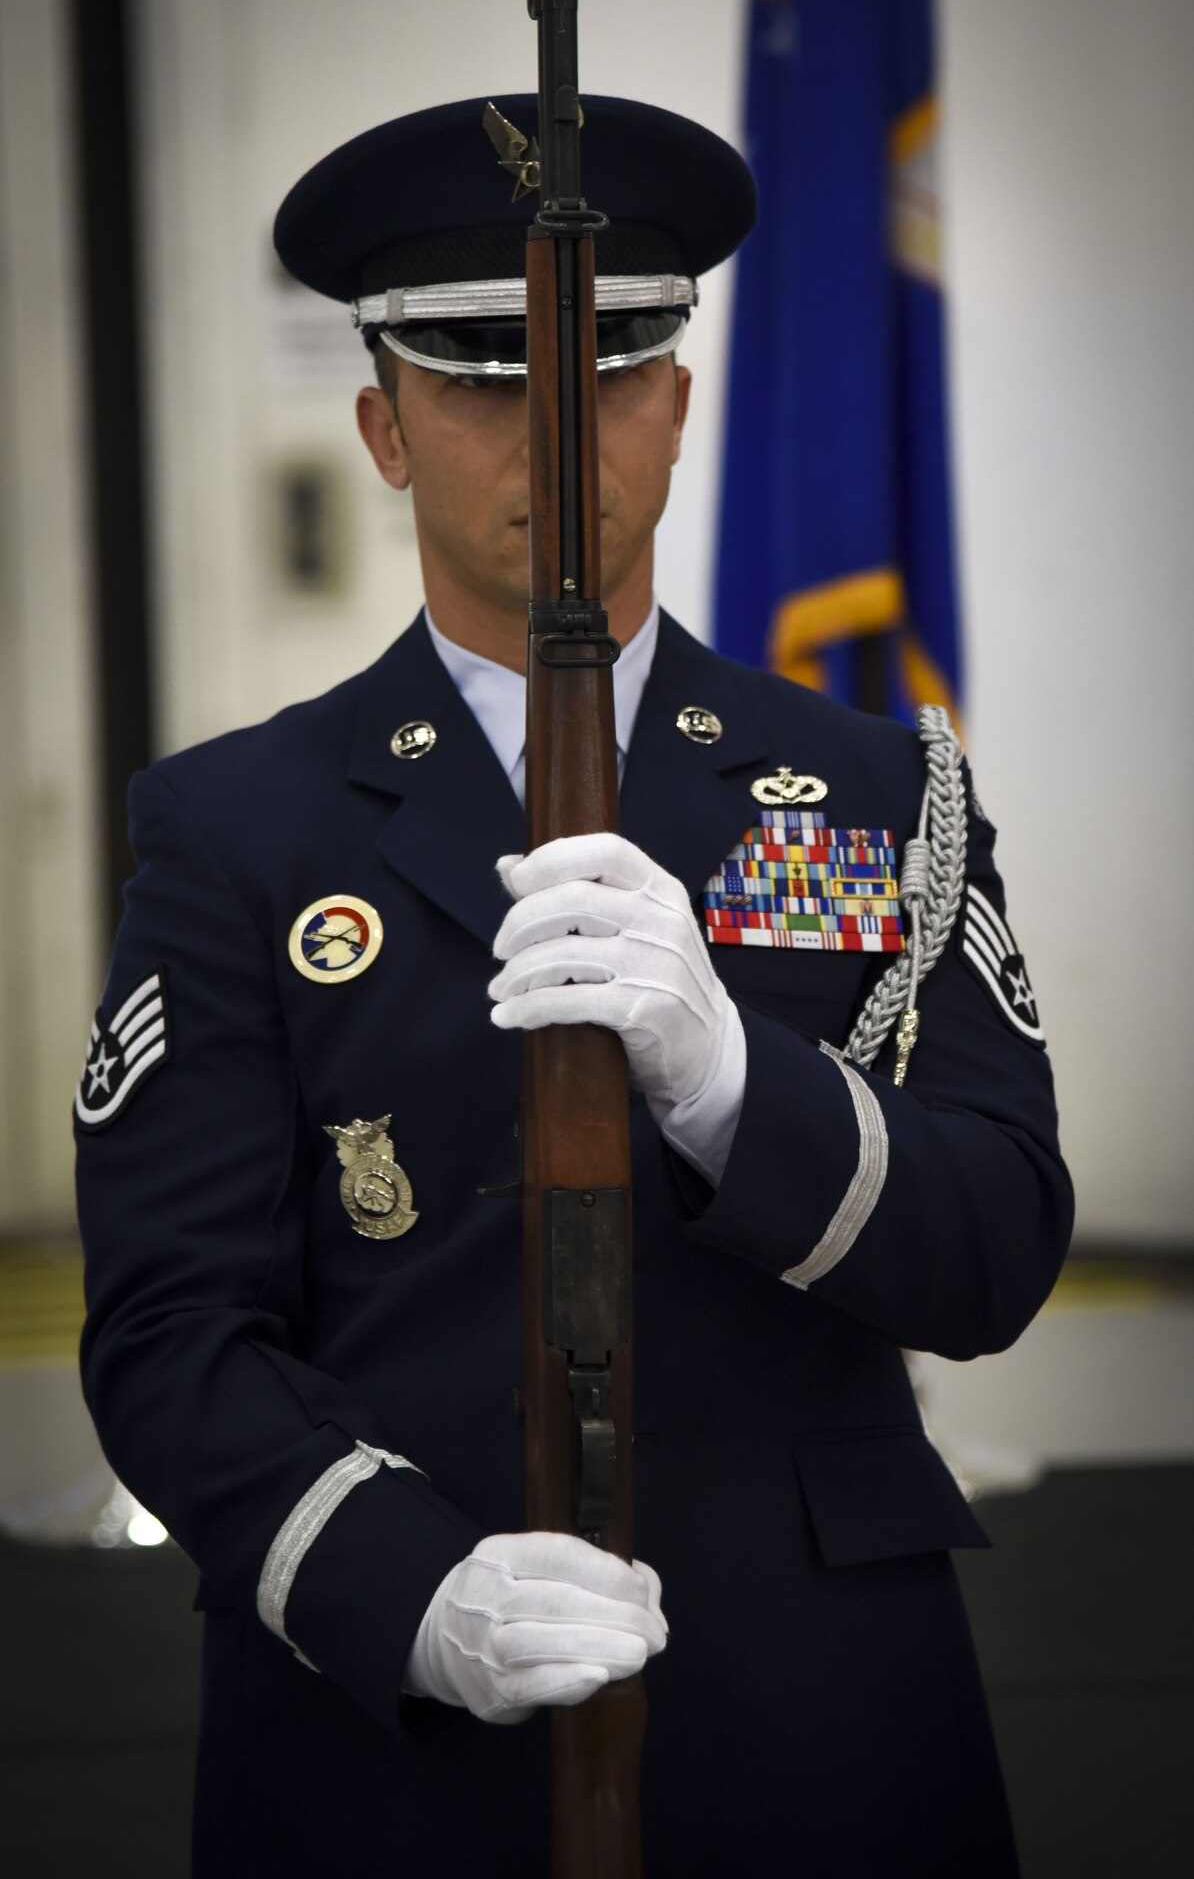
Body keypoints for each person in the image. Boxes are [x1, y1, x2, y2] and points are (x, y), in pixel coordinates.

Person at [74, 93, 1071, 1877]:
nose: (554, 420)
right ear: (381, 429)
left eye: (610, 362)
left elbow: (994, 1249)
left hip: (819, 1711)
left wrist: (728, 1084)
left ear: (679, 405)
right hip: (396, 1728)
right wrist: (407, 1588)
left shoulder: (866, 791)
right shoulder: (236, 828)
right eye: (476, 372)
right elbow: (168, 1335)